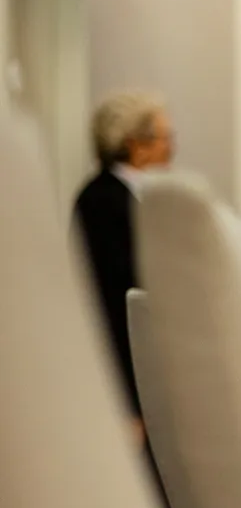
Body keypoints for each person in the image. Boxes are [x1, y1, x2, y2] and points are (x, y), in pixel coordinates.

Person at [73, 91, 174, 429]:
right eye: (164, 139)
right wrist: (130, 402)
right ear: (136, 146)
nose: (170, 150)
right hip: (120, 376)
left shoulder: (132, 197)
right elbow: (113, 301)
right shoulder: (103, 203)